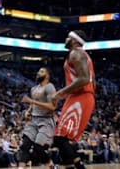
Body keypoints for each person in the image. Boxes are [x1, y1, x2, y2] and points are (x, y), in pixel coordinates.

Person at [51, 30, 96, 169]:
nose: (66, 40)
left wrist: (60, 93)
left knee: (60, 138)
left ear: (75, 41)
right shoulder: (84, 55)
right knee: (61, 139)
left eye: (68, 37)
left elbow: (84, 79)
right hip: (80, 96)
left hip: (80, 97)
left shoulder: (75, 53)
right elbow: (93, 82)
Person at [18, 67, 57, 169]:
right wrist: (28, 111)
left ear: (47, 75)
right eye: (38, 71)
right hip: (34, 120)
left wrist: (32, 101)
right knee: (24, 145)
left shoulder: (50, 87)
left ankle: (51, 166)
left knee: (37, 148)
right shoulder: (33, 89)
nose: (38, 73)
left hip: (46, 120)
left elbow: (52, 107)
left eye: (41, 71)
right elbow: (33, 105)